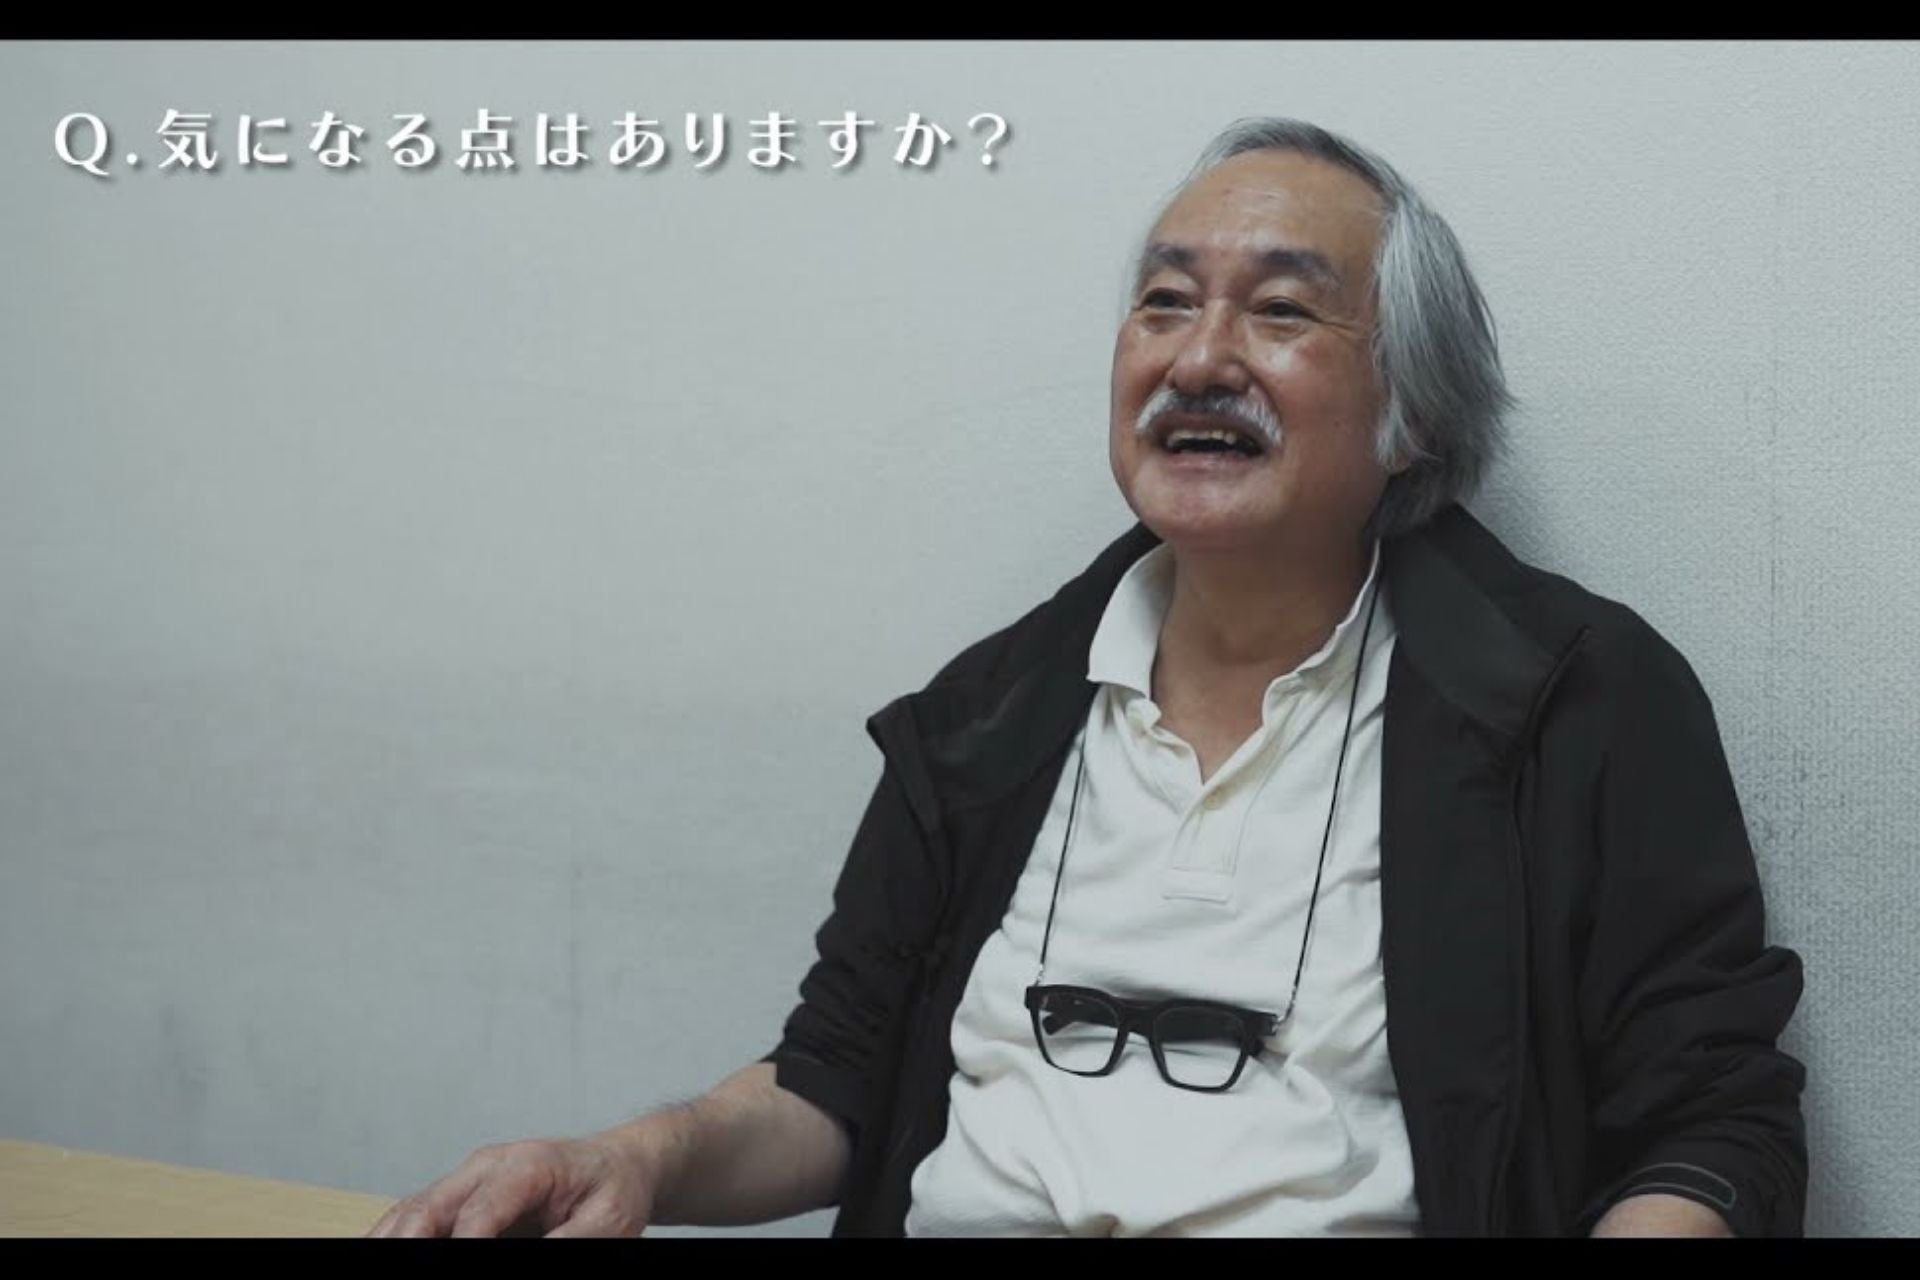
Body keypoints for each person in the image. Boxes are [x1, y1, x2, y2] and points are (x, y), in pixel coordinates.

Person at [369, 117, 1807, 1239]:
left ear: (1414, 415)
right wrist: (632, 1157)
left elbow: (1712, 1128)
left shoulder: (1573, 704)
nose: (1201, 358)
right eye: (1164, 304)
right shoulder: (984, 720)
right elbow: (832, 1087)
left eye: (1282, 313)